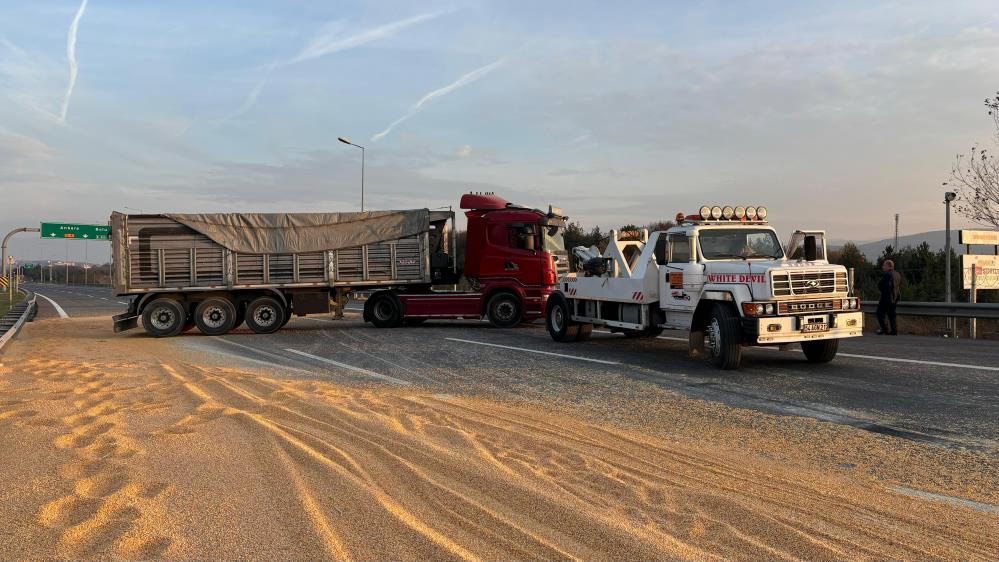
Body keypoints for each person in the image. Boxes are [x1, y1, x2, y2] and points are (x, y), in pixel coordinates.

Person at [876, 259, 900, 335]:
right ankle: (894, 330)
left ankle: (884, 328)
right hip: (895, 297)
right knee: (892, 315)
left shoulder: (887, 275)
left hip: (887, 298)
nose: (883, 267)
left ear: (889, 266)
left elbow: (882, 286)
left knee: (879, 313)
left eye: (884, 265)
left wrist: (883, 295)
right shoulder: (897, 274)